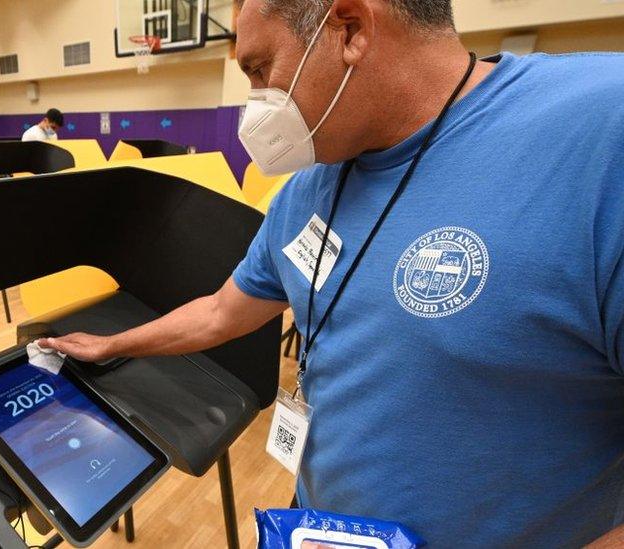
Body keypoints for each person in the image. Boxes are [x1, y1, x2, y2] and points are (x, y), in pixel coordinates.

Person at [40, 0, 624, 547]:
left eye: (261, 68)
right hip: (320, 521)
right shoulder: (307, 188)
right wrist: (114, 343)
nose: (255, 103)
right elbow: (221, 312)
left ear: (349, 29)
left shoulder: (601, 133)